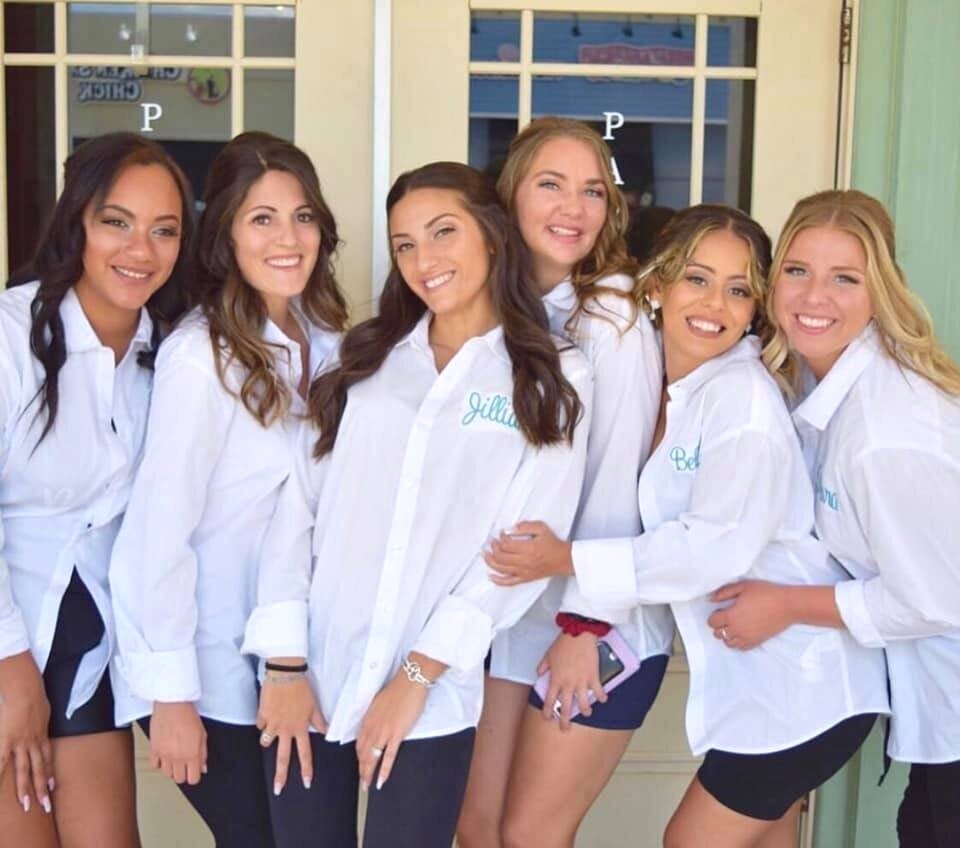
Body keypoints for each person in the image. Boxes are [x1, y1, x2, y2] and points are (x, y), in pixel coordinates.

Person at [485, 203, 890, 848]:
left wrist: (568, 565)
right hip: (769, 689)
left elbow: (711, 547)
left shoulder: (742, 400)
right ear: (657, 285)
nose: (715, 305)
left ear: (756, 305)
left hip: (805, 689)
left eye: (738, 290)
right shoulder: (662, 381)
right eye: (697, 279)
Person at [242, 161, 591, 848]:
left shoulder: (551, 375)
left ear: (492, 235)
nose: (423, 260)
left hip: (431, 699)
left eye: (442, 233)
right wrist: (284, 663)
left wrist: (416, 676)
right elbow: (295, 514)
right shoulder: (362, 362)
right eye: (404, 244)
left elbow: (518, 556)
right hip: (311, 680)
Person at [109, 131, 348, 847]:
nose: (288, 237)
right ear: (226, 236)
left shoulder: (332, 340)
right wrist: (173, 696)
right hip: (208, 666)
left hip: (302, 661)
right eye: (262, 218)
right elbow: (158, 531)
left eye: (302, 216)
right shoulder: (199, 356)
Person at [707, 189, 960, 848]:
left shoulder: (885, 433)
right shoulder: (812, 386)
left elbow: (931, 600)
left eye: (844, 279)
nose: (814, 296)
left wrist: (786, 605)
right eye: (797, 271)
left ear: (879, 292)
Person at [457, 116, 672, 848]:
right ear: (511, 195)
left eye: (592, 191)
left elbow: (619, 481)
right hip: (511, 613)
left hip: (596, 625)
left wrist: (586, 626)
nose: (572, 209)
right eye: (551, 185)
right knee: (476, 826)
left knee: (527, 837)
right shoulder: (495, 307)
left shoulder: (610, 317)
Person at [0, 132, 193, 847]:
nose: (140, 249)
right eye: (117, 221)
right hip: (9, 637)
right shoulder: (12, 335)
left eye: (163, 230)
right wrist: (13, 677)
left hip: (90, 647)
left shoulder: (174, 355)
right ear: (78, 221)